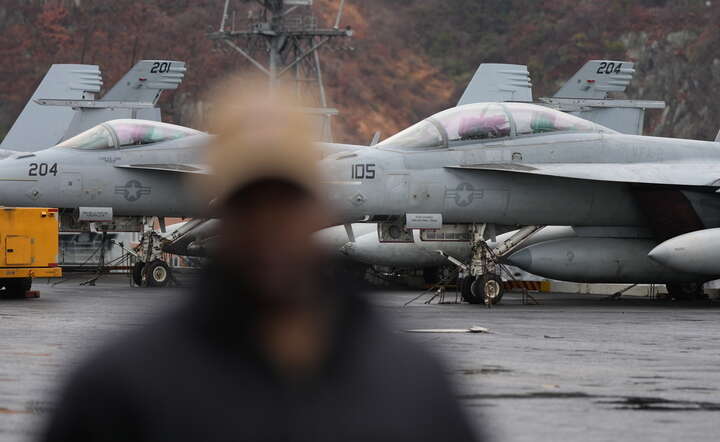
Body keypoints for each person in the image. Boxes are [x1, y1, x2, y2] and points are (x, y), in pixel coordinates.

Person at [41, 78, 481, 442]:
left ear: (319, 206)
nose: (268, 225)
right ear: (218, 205)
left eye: (286, 200)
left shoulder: (415, 381)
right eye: (249, 203)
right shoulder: (116, 385)